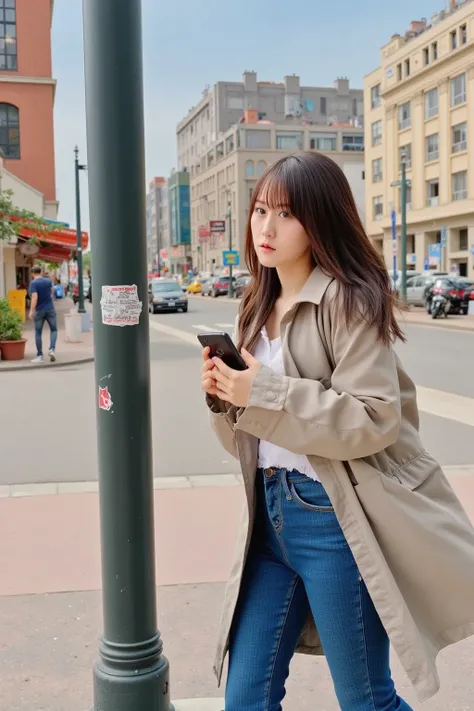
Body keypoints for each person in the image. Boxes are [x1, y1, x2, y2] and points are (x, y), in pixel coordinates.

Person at [201, 152, 474, 711]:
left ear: (319, 220)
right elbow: (244, 444)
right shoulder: (256, 305)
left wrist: (264, 393)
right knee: (245, 698)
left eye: (285, 214)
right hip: (268, 517)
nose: (266, 228)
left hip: (333, 518)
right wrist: (225, 399)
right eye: (259, 211)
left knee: (366, 700)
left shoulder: (348, 301)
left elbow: (374, 417)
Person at [29, 265, 57, 363]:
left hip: (39, 310)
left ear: (32, 274)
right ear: (40, 272)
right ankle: (52, 350)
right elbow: (51, 291)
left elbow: (34, 297)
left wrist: (31, 311)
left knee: (38, 333)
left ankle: (40, 356)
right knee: (53, 330)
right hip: (50, 309)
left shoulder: (33, 283)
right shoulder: (48, 281)